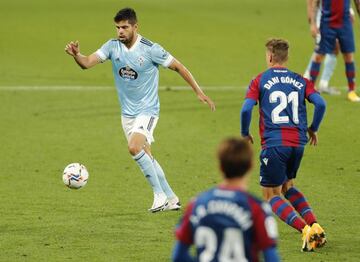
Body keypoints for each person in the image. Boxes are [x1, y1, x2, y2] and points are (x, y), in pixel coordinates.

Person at [65, 8, 215, 213]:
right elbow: (87, 63)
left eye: (125, 27)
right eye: (117, 27)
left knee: (134, 148)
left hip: (148, 110)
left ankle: (159, 197)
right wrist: (76, 55)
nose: (120, 31)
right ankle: (172, 198)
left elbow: (179, 66)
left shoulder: (151, 49)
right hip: (127, 114)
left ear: (135, 27)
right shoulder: (112, 46)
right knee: (146, 155)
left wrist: (199, 92)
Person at [241, 38, 327, 251]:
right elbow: (321, 103)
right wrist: (313, 128)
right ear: (286, 57)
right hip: (298, 143)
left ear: (270, 56)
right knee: (288, 185)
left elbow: (246, 109)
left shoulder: (260, 80)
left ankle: (305, 231)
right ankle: (315, 226)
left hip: (274, 144)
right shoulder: (301, 80)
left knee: (271, 194)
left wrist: (244, 133)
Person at [173, 137, 279, 262]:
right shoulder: (257, 208)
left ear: (220, 167)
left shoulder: (196, 204)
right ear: (251, 166)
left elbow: (178, 256)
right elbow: (271, 257)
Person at [308, 0, 360, 102]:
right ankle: (310, 90)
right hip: (326, 23)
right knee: (319, 56)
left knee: (348, 56)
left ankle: (351, 91)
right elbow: (315, 3)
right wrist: (313, 24)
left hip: (345, 24)